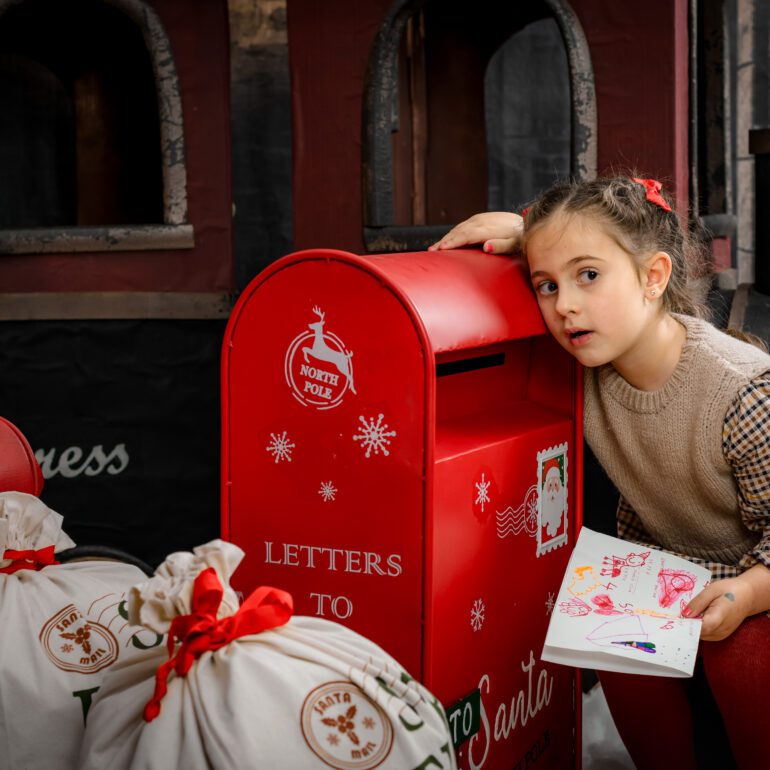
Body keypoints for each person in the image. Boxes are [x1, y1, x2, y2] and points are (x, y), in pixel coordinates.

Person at [430, 175, 770, 770]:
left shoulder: (742, 391)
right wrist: (524, 232)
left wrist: (744, 595)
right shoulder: (583, 369)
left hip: (753, 579)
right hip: (672, 575)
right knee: (609, 631)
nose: (564, 305)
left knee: (741, 653)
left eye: (588, 276)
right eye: (547, 285)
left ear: (653, 277)